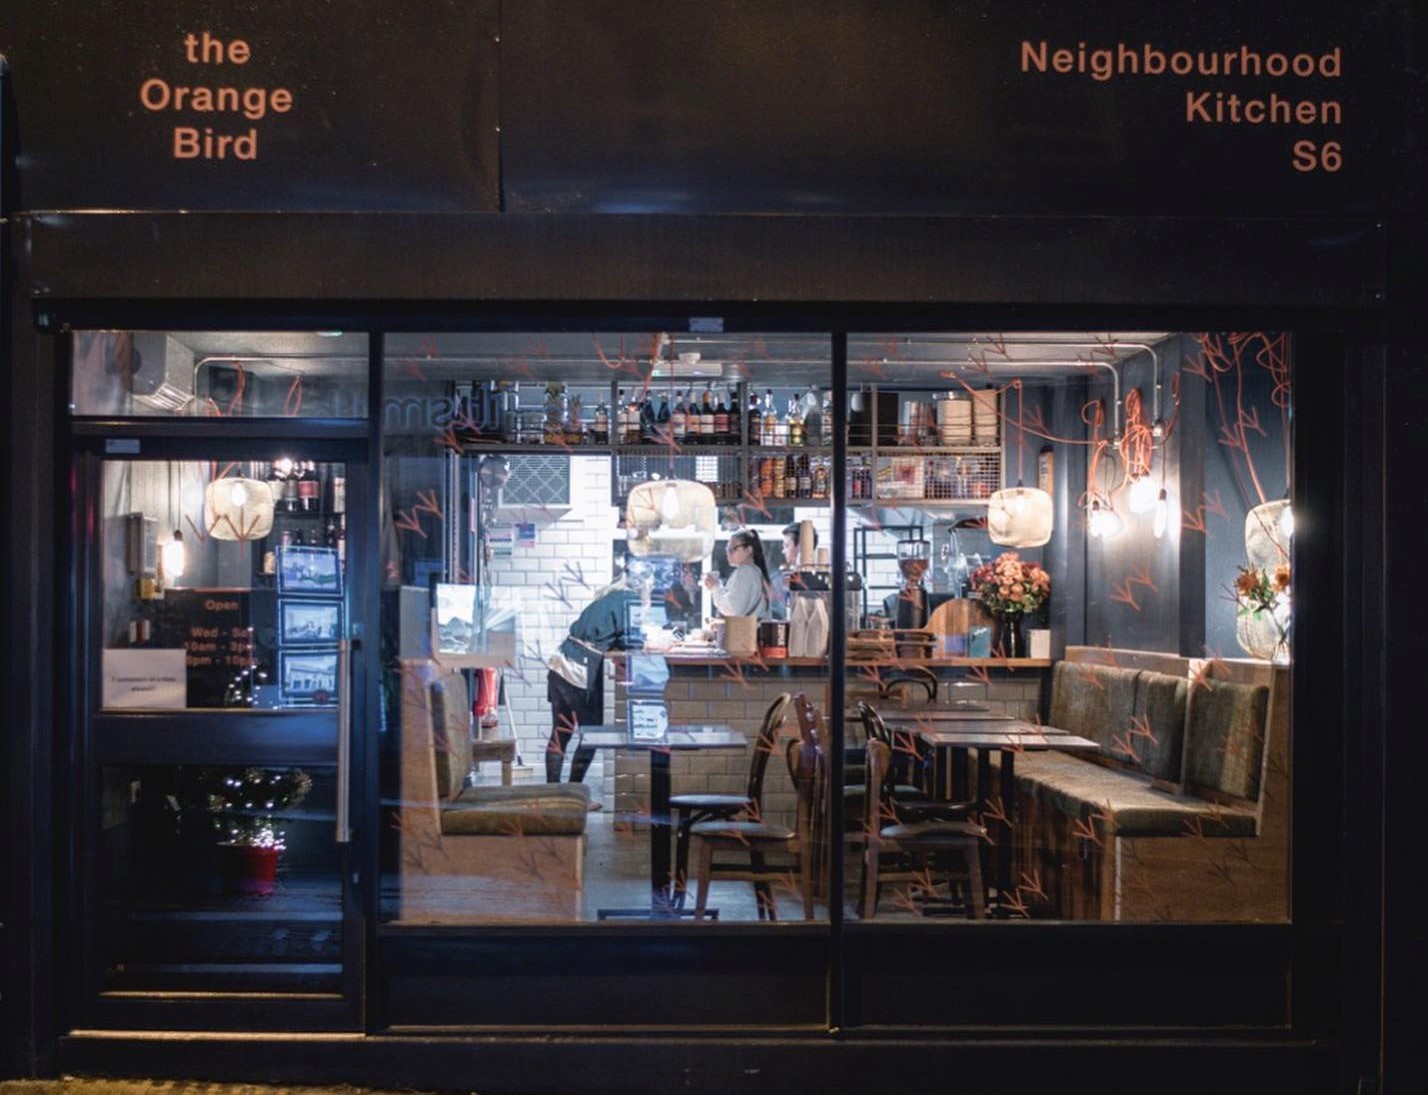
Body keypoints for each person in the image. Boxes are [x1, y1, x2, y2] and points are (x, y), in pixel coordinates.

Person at [545, 573, 639, 801]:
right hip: (581, 668)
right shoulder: (629, 599)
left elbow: (603, 632)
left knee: (561, 732)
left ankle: (552, 795)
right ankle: (573, 797)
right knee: (592, 735)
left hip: (559, 663)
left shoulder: (605, 598)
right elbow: (631, 640)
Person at [703, 528, 772, 619]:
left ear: (748, 550)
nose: (728, 553)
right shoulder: (754, 571)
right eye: (727, 549)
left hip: (747, 632)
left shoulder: (746, 572)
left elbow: (733, 608)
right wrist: (716, 586)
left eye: (733, 549)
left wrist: (715, 587)